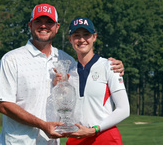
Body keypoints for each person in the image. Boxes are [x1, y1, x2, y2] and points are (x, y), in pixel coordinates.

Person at [0, 3, 125, 145]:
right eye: (38, 21)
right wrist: (42, 124)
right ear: (30, 25)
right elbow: (4, 105)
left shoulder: (67, 60)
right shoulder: (12, 59)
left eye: (49, 22)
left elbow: (87, 78)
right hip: (18, 141)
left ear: (57, 27)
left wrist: (114, 65)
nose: (44, 26)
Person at [56, 17, 130, 145]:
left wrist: (95, 129)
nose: (82, 40)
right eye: (76, 35)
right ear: (70, 39)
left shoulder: (109, 66)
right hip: (76, 138)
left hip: (104, 136)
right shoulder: (69, 72)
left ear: (94, 37)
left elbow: (124, 109)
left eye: (86, 35)